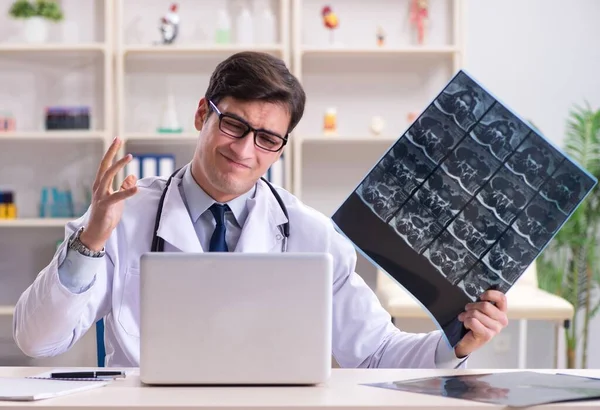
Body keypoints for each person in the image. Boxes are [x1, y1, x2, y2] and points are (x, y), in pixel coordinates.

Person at [13, 51, 508, 368]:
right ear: (203, 114)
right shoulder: (121, 216)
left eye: (267, 138)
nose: (246, 150)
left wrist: (455, 344)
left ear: (280, 148)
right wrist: (92, 239)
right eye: (234, 125)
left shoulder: (314, 237)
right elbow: (36, 340)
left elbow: (377, 353)